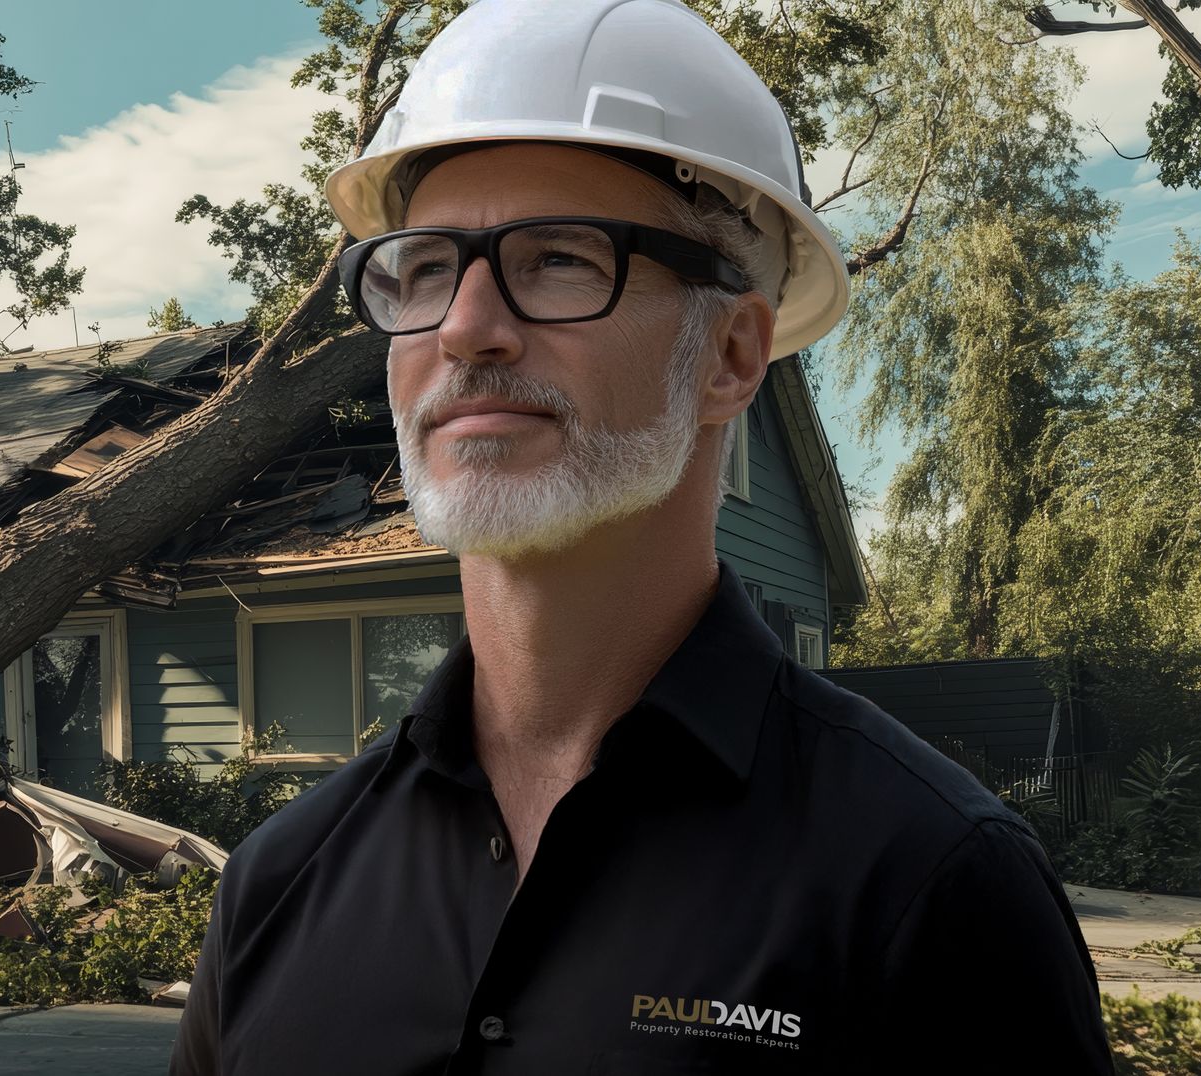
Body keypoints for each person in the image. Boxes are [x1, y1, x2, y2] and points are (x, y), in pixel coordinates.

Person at [168, 0, 1114, 1072]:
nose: (467, 327)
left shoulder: (929, 880)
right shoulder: (277, 883)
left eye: (561, 257)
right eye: (425, 269)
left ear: (731, 354)